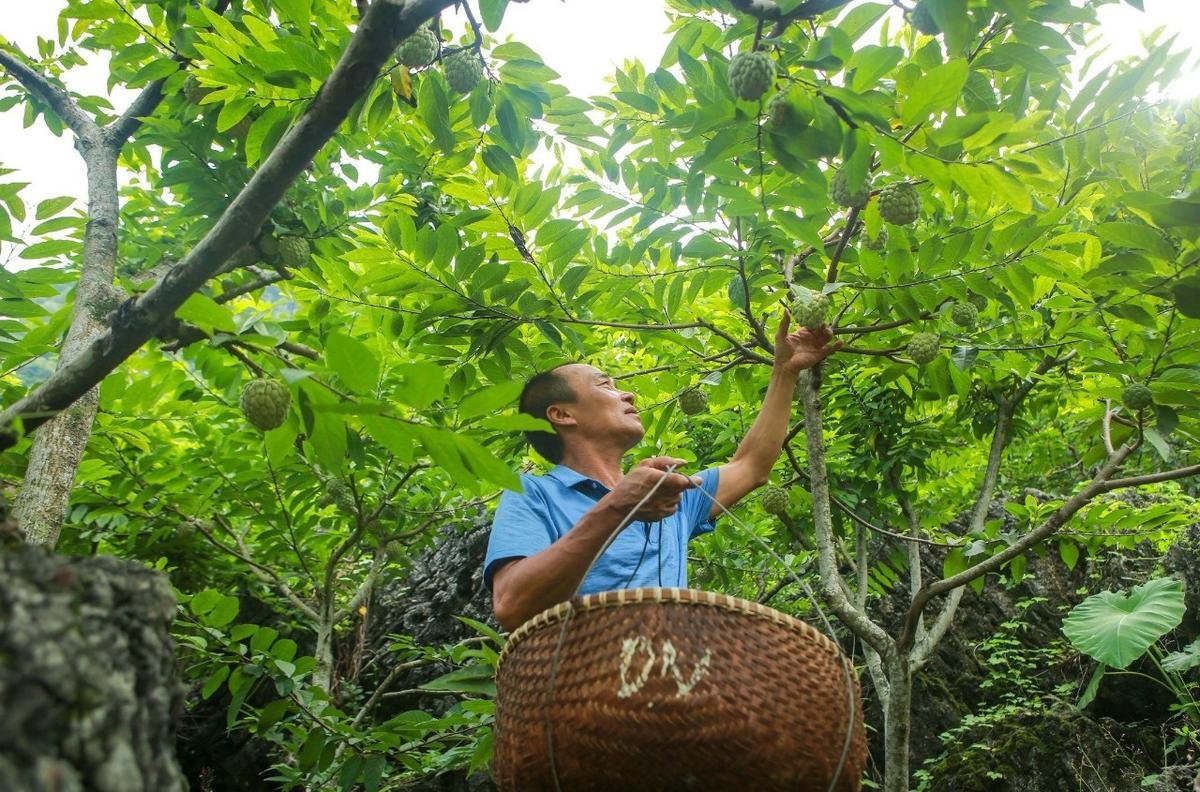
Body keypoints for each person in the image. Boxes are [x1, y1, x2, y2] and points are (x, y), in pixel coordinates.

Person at [485, 314, 840, 631]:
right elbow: (512, 605)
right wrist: (618, 506)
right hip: (579, 689)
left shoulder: (668, 500)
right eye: (605, 385)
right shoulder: (532, 493)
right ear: (562, 415)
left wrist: (785, 371)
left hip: (669, 687)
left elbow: (751, 466)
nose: (628, 394)